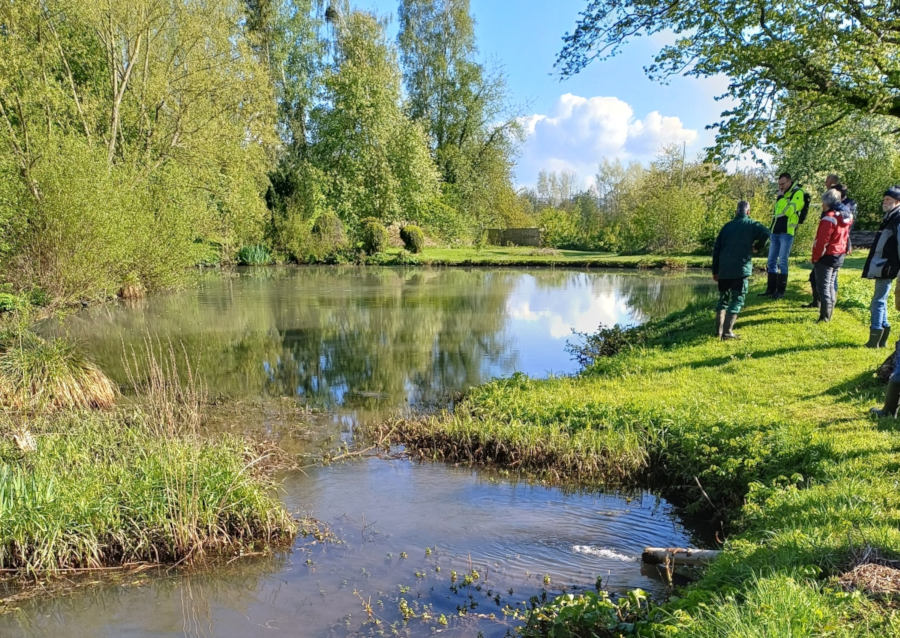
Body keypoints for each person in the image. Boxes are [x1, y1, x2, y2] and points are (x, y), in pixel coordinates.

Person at [712, 200, 770, 339]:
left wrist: (715, 270)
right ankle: (727, 332)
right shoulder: (752, 224)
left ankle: (718, 332)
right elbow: (767, 233)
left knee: (723, 300)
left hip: (724, 270)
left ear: (736, 212)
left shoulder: (726, 227)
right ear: (748, 212)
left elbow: (716, 249)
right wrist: (758, 246)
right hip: (740, 270)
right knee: (737, 300)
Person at [806, 177, 855, 308]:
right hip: (839, 254)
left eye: (822, 203)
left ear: (827, 203)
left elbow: (822, 241)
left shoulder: (829, 218)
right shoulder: (844, 216)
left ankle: (825, 316)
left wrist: (816, 257)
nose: (822, 205)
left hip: (827, 255)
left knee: (824, 287)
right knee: (830, 284)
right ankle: (828, 310)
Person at [862, 186, 900, 348]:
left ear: (898, 202)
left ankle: (874, 339)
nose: (885, 202)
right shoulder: (890, 217)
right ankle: (881, 339)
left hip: (887, 265)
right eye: (884, 200)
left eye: (889, 200)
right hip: (883, 264)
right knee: (881, 300)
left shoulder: (897, 219)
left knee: (877, 301)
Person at [761, 172, 806, 299]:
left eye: (783, 184)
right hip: (775, 231)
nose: (780, 187)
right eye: (779, 184)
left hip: (787, 232)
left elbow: (789, 212)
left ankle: (780, 291)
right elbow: (776, 214)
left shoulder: (797, 193)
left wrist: (780, 199)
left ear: (789, 181)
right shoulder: (783, 194)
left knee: (783, 261)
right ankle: (771, 289)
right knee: (771, 261)